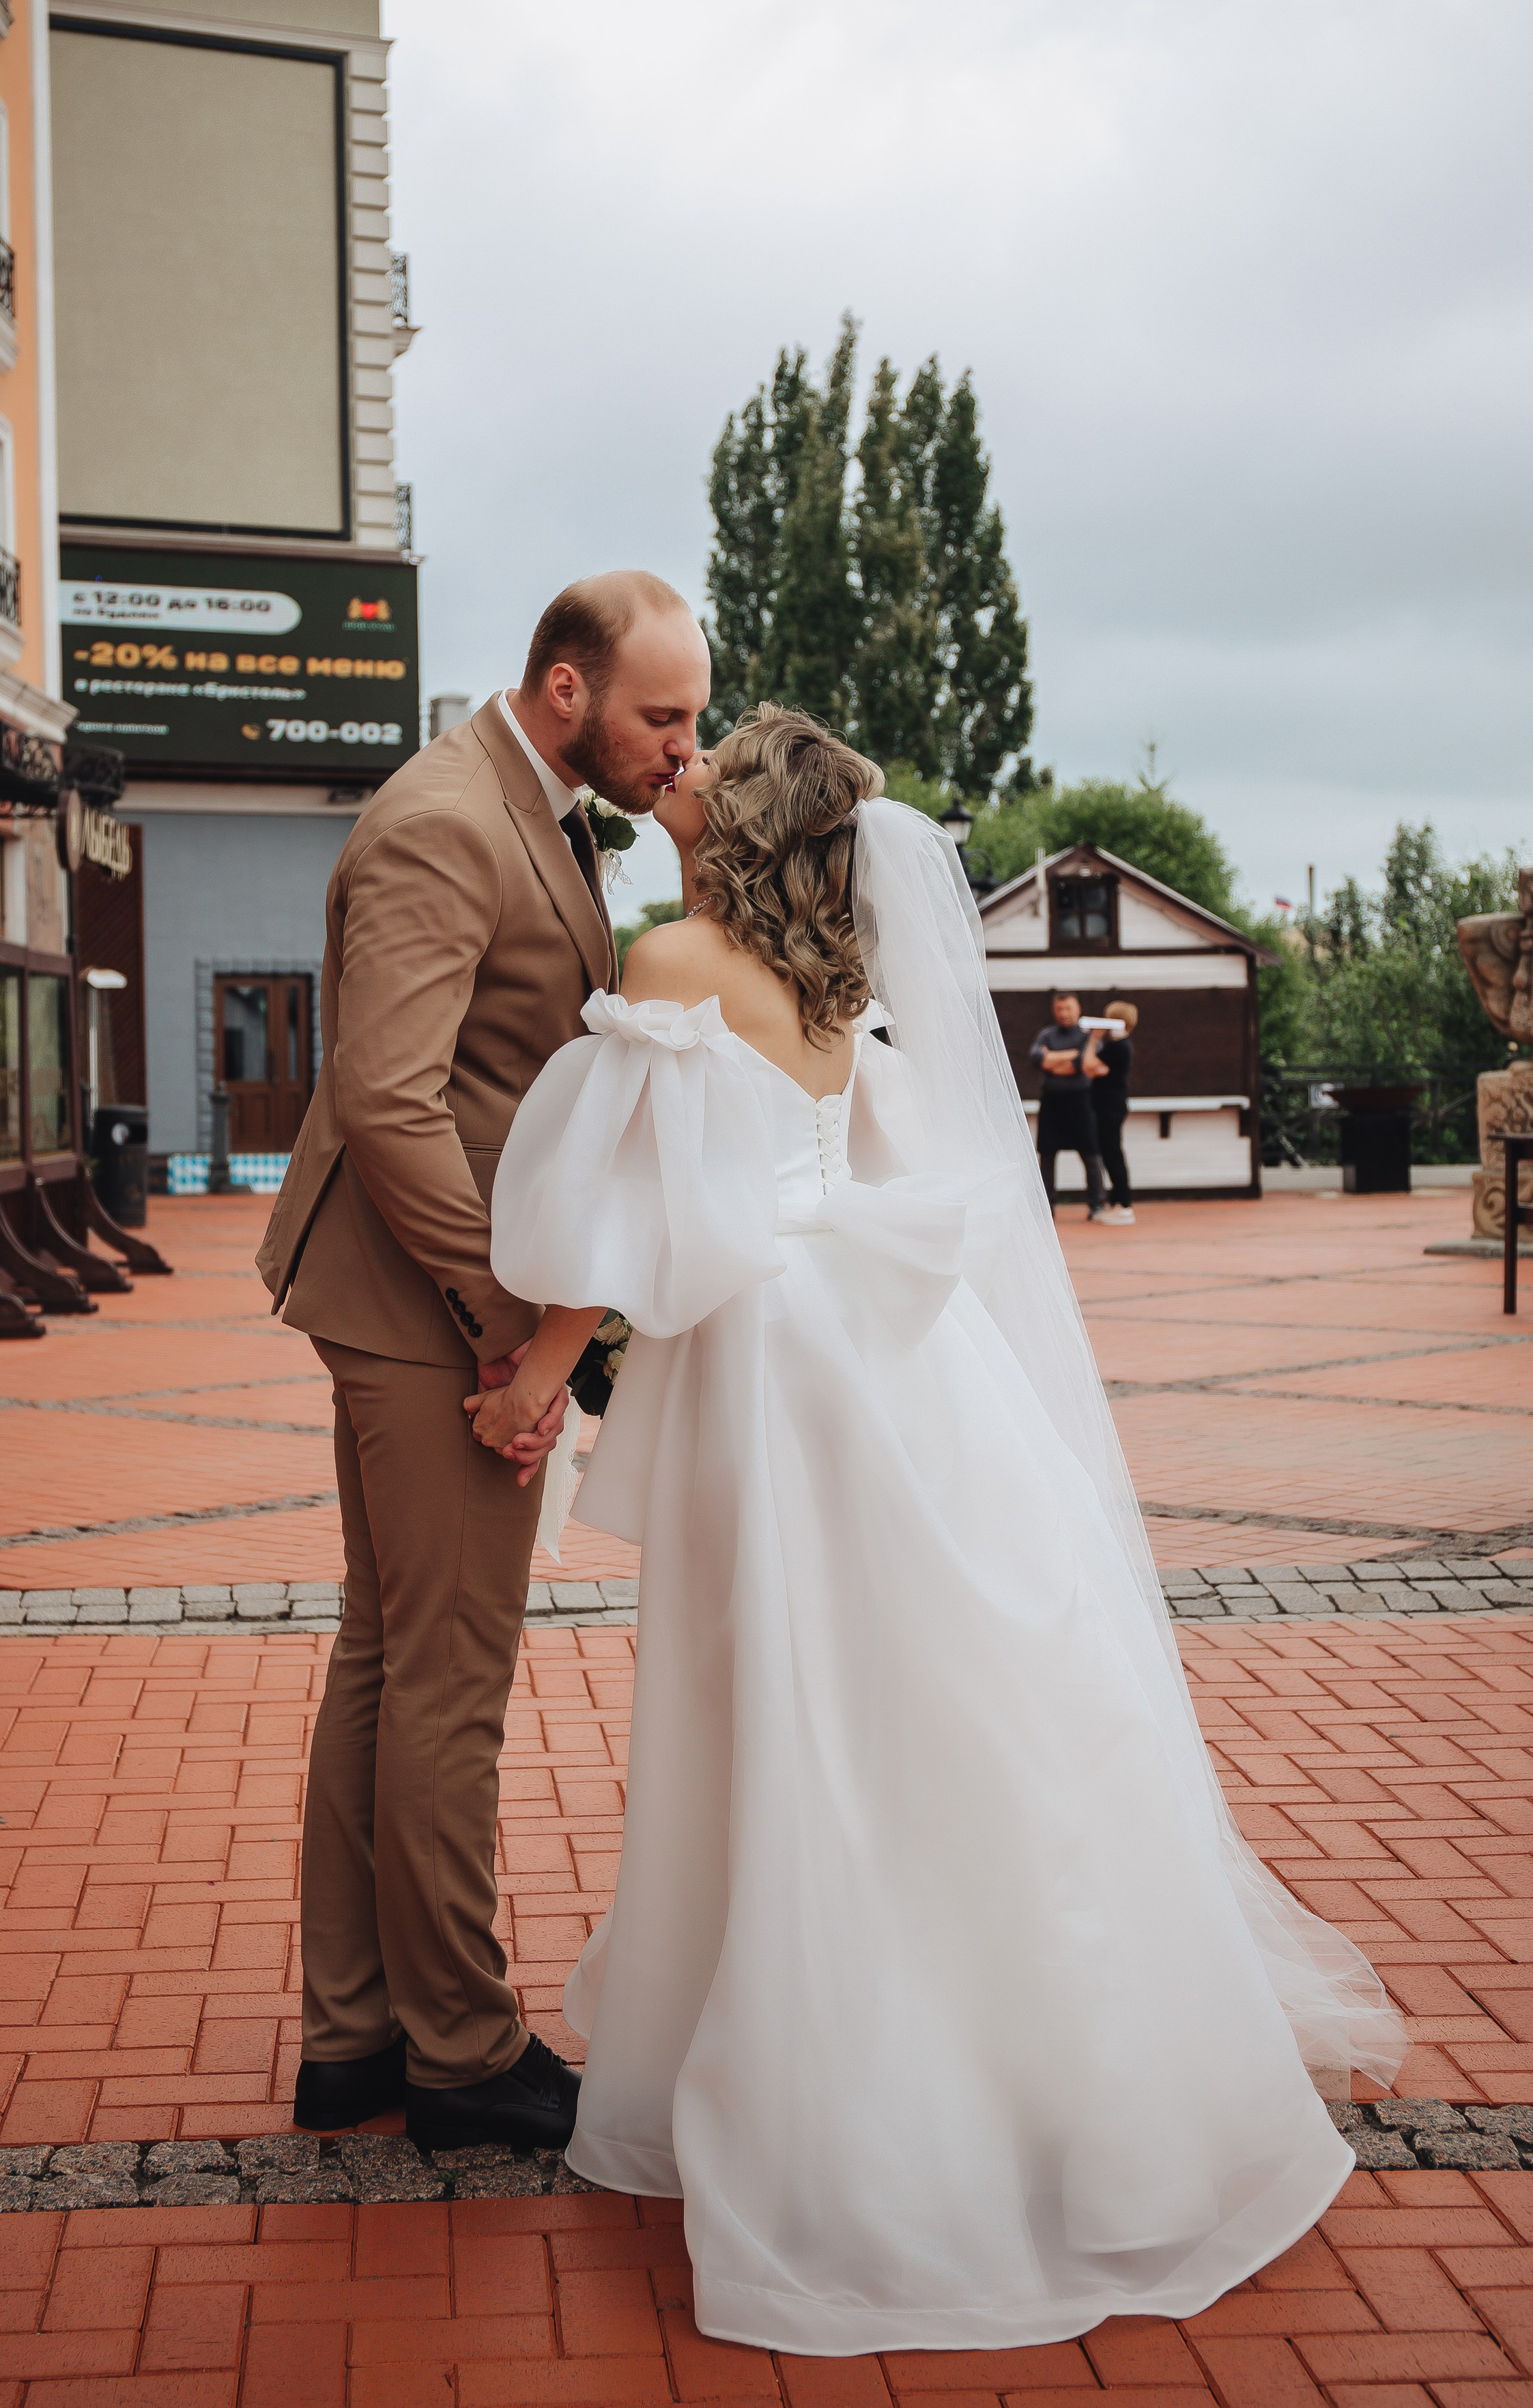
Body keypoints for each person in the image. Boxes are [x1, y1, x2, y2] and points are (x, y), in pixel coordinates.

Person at [470, 706, 1401, 2355]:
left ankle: (858, 2116)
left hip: (776, 1366)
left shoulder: (678, 959)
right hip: (891, 1356)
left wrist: (538, 1375)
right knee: (927, 1700)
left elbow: (630, 1207)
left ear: (742, 827)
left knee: (791, 1706)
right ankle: (1036, 2074)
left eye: (701, 766)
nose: (673, 771)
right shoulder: (836, 984)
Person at [257, 569, 709, 2150]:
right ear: (566, 689)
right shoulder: (444, 819)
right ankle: (455, 2048)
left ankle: (354, 2034)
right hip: (423, 1310)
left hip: (408, 1292)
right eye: (664, 714)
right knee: (443, 1678)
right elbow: (386, 1102)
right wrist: (508, 1334)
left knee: (386, 1661)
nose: (683, 747)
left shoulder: (528, 804)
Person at [1029, 990, 1107, 1218]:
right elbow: (1036, 1058)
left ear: (1078, 1009)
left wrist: (1053, 1059)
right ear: (1054, 1011)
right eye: (1060, 1009)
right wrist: (1071, 1056)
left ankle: (1097, 1205)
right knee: (1047, 1155)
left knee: (1092, 1154)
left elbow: (1083, 1065)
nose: (1064, 1013)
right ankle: (1047, 1208)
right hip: (1052, 1103)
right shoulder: (1046, 1034)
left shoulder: (1088, 1036)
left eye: (1069, 1008)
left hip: (1082, 1102)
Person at [1090, 998, 1138, 1224]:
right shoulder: (1118, 1046)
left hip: (1111, 1105)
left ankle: (1124, 1203)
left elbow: (1089, 1065)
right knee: (1110, 1152)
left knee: (1113, 1153)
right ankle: (1118, 1201)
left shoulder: (1119, 1047)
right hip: (1108, 1104)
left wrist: (1093, 1039)